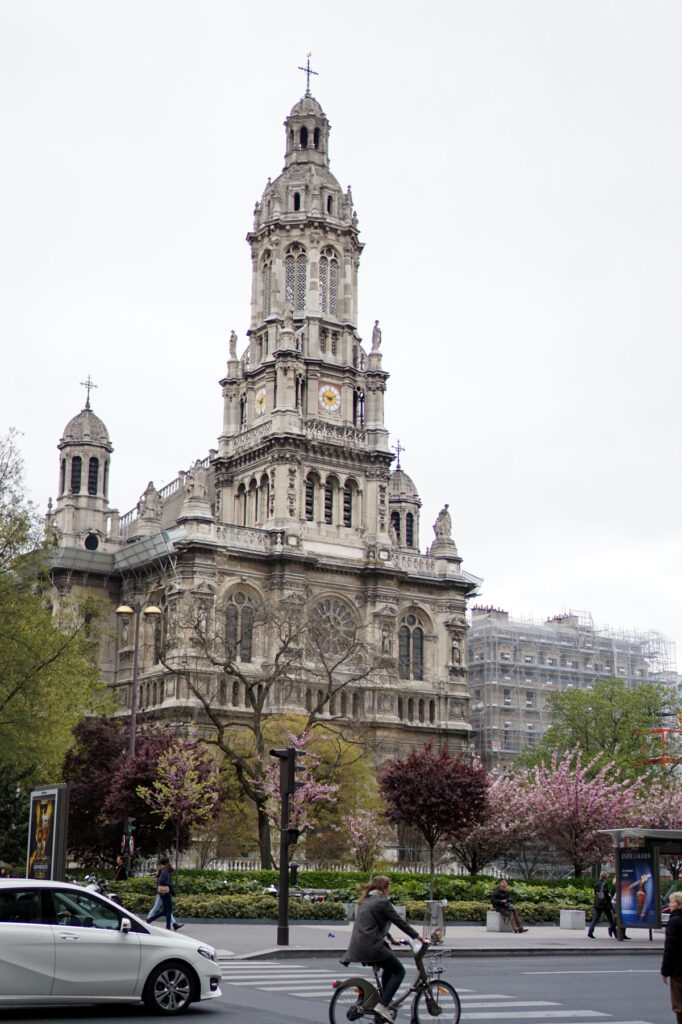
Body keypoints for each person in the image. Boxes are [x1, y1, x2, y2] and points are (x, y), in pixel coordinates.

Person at [341, 874, 425, 1022]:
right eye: (389, 886)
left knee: (388, 966)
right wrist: (419, 937)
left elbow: (373, 924)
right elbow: (399, 922)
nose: (390, 889)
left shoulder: (366, 901)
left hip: (358, 946)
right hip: (371, 946)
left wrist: (391, 938)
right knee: (399, 971)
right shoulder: (382, 903)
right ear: (384, 888)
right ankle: (384, 1005)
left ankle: (385, 999)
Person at [661, 890, 682, 1023]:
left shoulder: (674, 921)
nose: (670, 904)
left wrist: (665, 971)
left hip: (678, 969)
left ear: (679, 905)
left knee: (678, 1003)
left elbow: (670, 949)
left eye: (673, 902)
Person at [146, 857, 182, 931]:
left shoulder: (164, 871)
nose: (170, 863)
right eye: (169, 862)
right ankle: (168, 926)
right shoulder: (164, 871)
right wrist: (171, 889)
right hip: (165, 892)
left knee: (166, 911)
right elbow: (163, 881)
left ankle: (150, 919)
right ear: (166, 863)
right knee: (167, 910)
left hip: (163, 892)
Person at [587, 871, 616, 938]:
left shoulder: (596, 884)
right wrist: (610, 905)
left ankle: (590, 932)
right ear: (606, 877)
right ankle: (616, 934)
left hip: (597, 903)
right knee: (610, 919)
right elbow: (606, 895)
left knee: (595, 919)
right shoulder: (605, 884)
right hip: (604, 904)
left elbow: (595, 894)